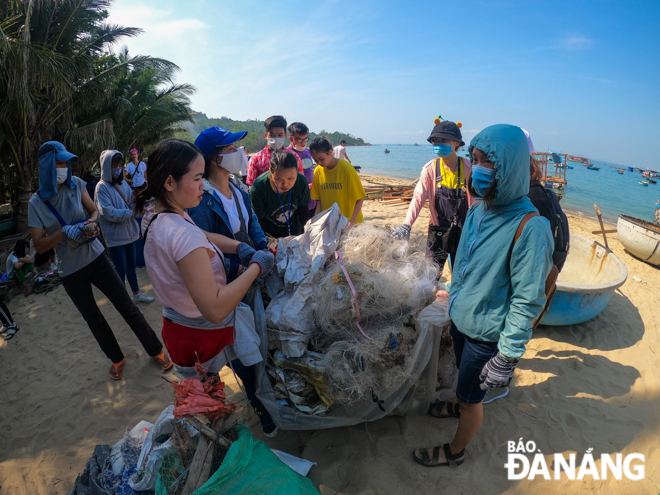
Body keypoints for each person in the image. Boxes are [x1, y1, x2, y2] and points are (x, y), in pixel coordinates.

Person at [412, 124, 553, 467]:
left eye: (483, 162)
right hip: (461, 319)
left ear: (508, 167)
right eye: (473, 160)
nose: (475, 168)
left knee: (473, 398)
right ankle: (458, 402)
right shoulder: (479, 210)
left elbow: (527, 301)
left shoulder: (530, 227)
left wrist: (507, 356)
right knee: (463, 376)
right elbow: (465, 265)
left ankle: (454, 452)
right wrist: (450, 292)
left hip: (486, 334)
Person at [139, 138, 278, 437]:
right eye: (198, 178)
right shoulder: (183, 237)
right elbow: (215, 309)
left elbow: (203, 234)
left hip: (179, 326)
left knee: (204, 393)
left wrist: (239, 246)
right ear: (169, 182)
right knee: (246, 376)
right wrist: (255, 268)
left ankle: (215, 426)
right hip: (206, 333)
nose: (203, 186)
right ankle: (266, 421)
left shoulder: (157, 216)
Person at [29, 141, 172, 380]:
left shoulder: (76, 185)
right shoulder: (36, 203)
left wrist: (91, 223)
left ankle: (155, 349)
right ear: (46, 167)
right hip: (70, 271)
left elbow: (94, 211)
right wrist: (63, 232)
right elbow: (39, 244)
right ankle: (117, 358)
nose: (65, 167)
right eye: (59, 163)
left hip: (96, 257)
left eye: (66, 163)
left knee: (126, 305)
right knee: (93, 318)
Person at [392, 120, 474, 273]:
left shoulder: (469, 168)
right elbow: (418, 198)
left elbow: (478, 201)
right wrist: (407, 224)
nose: (439, 144)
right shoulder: (431, 169)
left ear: (457, 143)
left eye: (444, 140)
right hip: (438, 230)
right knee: (430, 273)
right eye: (436, 141)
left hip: (465, 230)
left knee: (462, 272)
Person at [188, 126, 269, 282]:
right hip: (224, 280)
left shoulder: (239, 188)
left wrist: (262, 249)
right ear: (213, 158)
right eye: (231, 149)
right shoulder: (202, 198)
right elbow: (204, 246)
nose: (238, 153)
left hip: (250, 271)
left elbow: (252, 223)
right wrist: (239, 270)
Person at [95, 149, 154, 303]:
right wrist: (131, 212)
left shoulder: (123, 184)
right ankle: (123, 302)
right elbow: (108, 213)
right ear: (107, 167)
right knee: (120, 270)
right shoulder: (101, 187)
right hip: (115, 236)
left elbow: (131, 203)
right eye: (115, 165)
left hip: (129, 234)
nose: (118, 169)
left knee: (131, 266)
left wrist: (141, 202)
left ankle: (136, 294)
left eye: (120, 165)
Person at [250, 150, 312, 238]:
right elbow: (259, 221)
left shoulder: (301, 181)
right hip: (270, 235)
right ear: (271, 171)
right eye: (278, 179)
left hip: (295, 233)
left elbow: (304, 215)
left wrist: (305, 238)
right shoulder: (259, 187)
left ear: (297, 171)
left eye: (290, 178)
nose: (285, 184)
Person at [309, 136, 366, 226]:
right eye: (316, 160)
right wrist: (316, 218)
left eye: (321, 159)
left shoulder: (346, 168)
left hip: (350, 223)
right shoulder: (318, 171)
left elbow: (360, 198)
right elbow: (319, 199)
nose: (319, 163)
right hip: (331, 225)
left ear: (330, 152)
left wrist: (352, 221)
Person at [246, 115, 303, 186]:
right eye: (272, 135)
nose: (276, 138)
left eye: (280, 135)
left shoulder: (295, 157)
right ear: (266, 135)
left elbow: (300, 183)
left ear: (285, 135)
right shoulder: (255, 160)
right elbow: (252, 187)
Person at [286, 121, 317, 211]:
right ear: (291, 138)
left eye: (306, 139)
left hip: (312, 199)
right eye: (299, 140)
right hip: (297, 201)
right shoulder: (287, 154)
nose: (303, 143)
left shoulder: (308, 152)